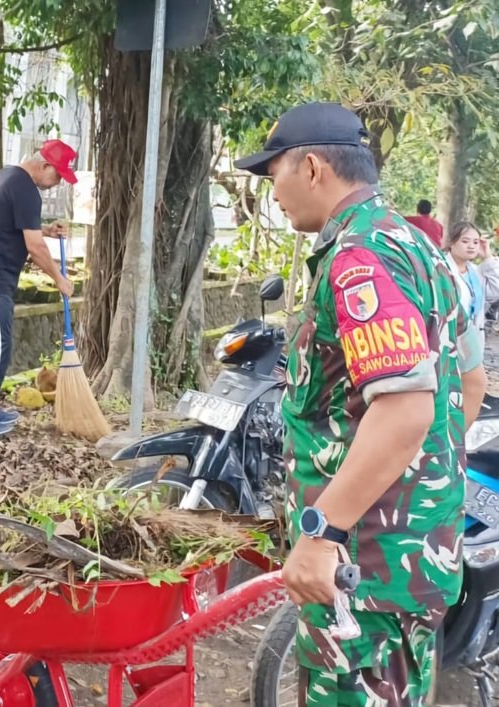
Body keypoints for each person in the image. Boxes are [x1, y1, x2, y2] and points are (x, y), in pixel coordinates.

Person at [236, 102, 466, 705]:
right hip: (398, 559)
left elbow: (405, 407)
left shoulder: (360, 257)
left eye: (273, 174)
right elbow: (466, 378)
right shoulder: (412, 244)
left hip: (364, 566)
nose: (272, 192)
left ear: (311, 167)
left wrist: (321, 530)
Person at [0, 140, 77, 436]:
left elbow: (16, 227)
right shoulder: (26, 189)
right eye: (58, 175)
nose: (58, 182)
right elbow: (34, 247)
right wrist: (59, 279)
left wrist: (46, 230)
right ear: (44, 165)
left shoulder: (9, 176)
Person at [443, 221, 489, 425]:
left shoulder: (476, 272)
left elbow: (495, 290)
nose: (471, 246)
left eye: (475, 242)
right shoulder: (442, 269)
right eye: (465, 241)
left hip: (472, 338)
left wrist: (487, 257)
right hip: (450, 336)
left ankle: (461, 430)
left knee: (470, 384)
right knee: (449, 384)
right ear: (452, 243)